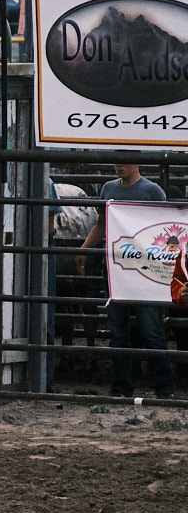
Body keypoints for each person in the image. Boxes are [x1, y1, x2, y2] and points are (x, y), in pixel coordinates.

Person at [79, 161, 176, 400]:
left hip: (139, 269)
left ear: (136, 163)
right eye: (116, 162)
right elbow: (102, 224)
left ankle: (162, 387)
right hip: (118, 268)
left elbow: (161, 226)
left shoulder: (152, 191)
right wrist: (84, 249)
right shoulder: (109, 189)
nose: (118, 166)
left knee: (149, 329)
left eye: (123, 162)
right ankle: (124, 387)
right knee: (121, 330)